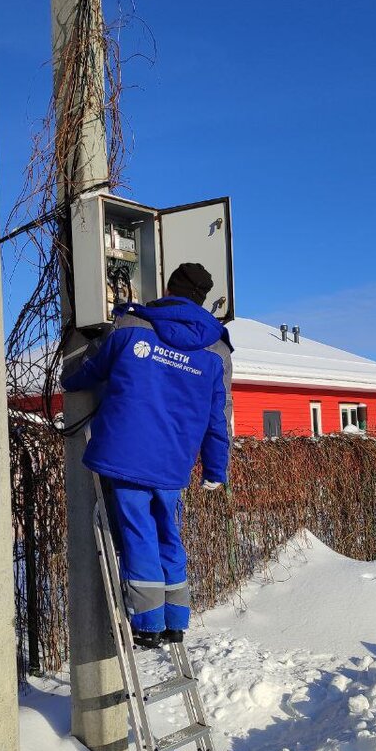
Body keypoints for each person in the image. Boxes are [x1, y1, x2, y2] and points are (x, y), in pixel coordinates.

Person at [62, 262, 233, 648]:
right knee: (168, 533)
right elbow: (218, 417)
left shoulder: (132, 327)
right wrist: (215, 468)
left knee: (137, 533)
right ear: (203, 298)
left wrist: (66, 379)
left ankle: (148, 623)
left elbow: (91, 369)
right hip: (174, 463)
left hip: (126, 455)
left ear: (169, 287)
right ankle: (176, 619)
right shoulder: (216, 348)